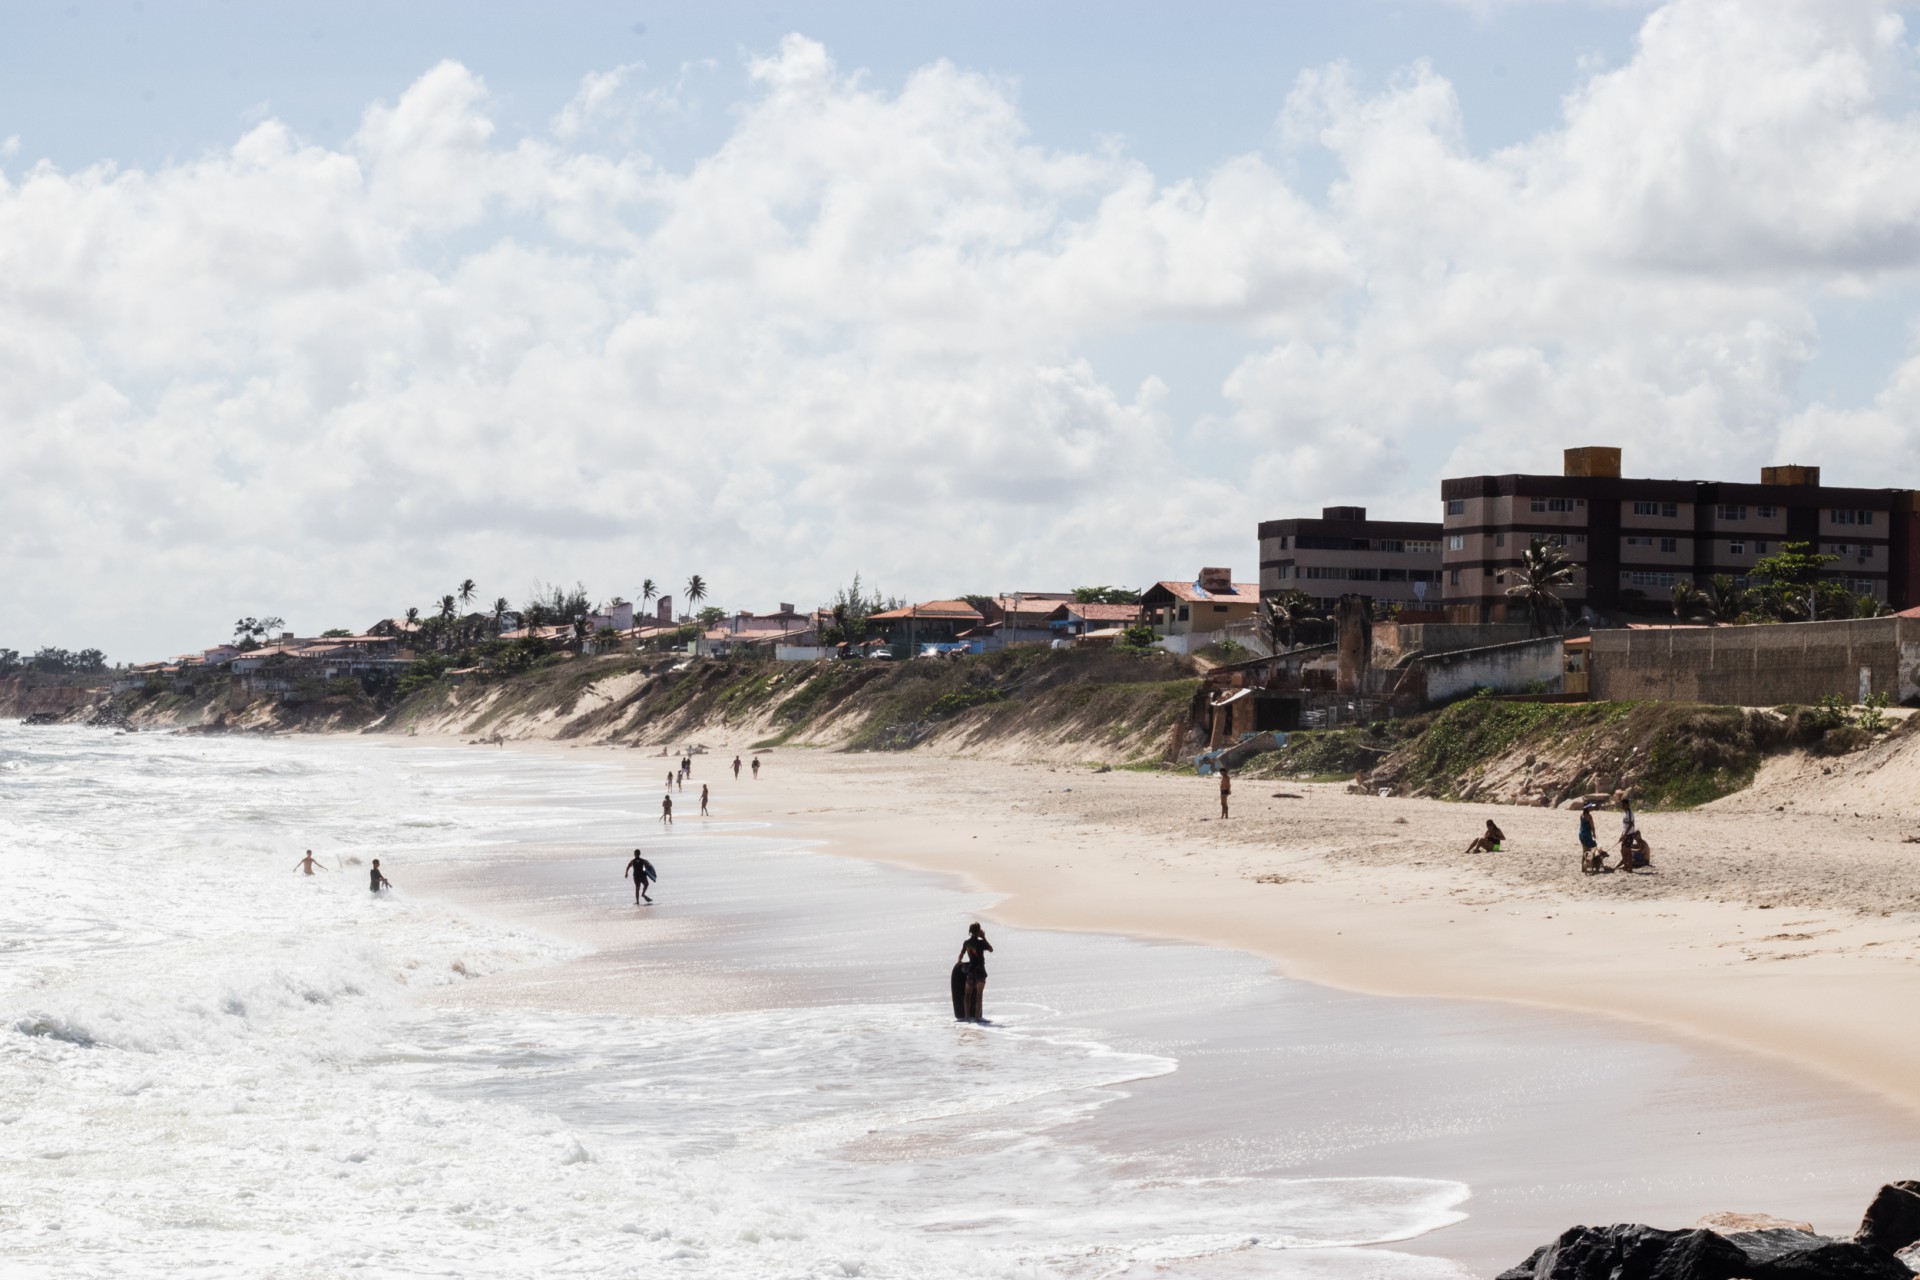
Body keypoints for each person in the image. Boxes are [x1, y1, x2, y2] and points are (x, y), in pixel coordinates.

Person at [957, 922, 993, 1022]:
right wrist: (984, 937)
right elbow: (991, 949)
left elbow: (961, 954)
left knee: (967, 995)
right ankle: (977, 1018)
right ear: (978, 931)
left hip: (971, 972)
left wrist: (959, 962)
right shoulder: (981, 943)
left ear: (970, 931)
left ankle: (966, 1017)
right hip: (980, 971)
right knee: (979, 995)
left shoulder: (966, 943)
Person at [1578, 805, 1605, 874]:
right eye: (1591, 807)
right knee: (1593, 848)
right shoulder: (1589, 816)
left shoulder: (1581, 815)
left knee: (1584, 851)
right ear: (1588, 808)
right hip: (1587, 835)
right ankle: (1591, 864)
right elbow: (1592, 826)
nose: (1592, 808)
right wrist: (1594, 833)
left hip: (1581, 834)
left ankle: (1583, 867)